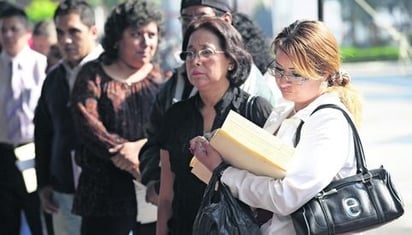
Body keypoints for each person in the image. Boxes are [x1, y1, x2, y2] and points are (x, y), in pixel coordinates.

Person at [191, 19, 363, 235]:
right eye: (279, 70)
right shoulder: (284, 108)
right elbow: (259, 169)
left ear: (326, 72)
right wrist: (216, 152)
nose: (283, 81)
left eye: (296, 74)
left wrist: (223, 171)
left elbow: (286, 197)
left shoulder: (329, 122)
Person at [139, 0, 280, 209]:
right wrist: (154, 181)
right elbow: (155, 139)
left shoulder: (254, 95)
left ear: (226, 21)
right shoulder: (175, 84)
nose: (193, 24)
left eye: (202, 16)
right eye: (186, 18)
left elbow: (270, 174)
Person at [156, 17, 273, 235]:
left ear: (230, 59)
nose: (195, 60)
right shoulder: (175, 116)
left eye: (206, 52)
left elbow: (273, 189)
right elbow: (166, 195)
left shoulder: (253, 110)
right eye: (190, 53)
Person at [70, 0, 164, 234]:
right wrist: (126, 153)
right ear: (117, 38)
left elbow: (169, 129)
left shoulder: (164, 78)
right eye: (136, 34)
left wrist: (140, 151)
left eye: (151, 34)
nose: (146, 42)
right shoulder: (93, 75)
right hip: (102, 196)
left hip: (149, 189)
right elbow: (89, 126)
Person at [34, 0, 103, 235]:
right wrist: (43, 183)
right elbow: (43, 133)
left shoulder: (112, 73)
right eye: (60, 32)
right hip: (62, 191)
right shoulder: (53, 79)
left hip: (107, 196)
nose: (66, 40)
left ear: (93, 31)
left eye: (74, 31)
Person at [0, 5, 47, 235]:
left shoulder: (42, 66)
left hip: (33, 153)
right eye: (3, 30)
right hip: (3, 154)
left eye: (14, 29)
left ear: (27, 32)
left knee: (38, 219)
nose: (8, 35)